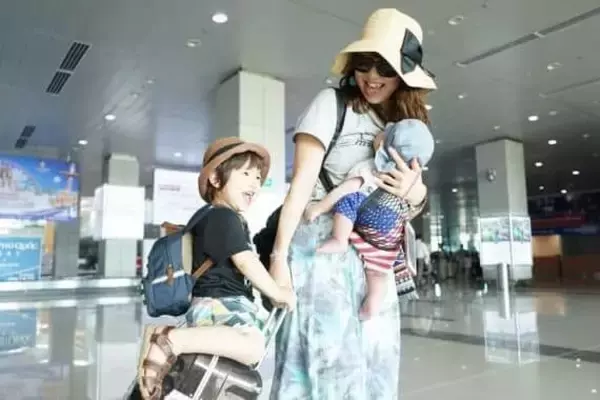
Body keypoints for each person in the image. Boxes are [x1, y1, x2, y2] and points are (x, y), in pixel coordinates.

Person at [268, 8, 436, 400]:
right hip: (322, 251)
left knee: (374, 368)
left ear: (404, 74)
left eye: (385, 68)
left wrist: (414, 192)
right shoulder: (331, 103)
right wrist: (278, 259)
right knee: (322, 365)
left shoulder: (405, 125)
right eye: (365, 64)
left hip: (376, 259)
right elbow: (300, 187)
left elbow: (410, 203)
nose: (372, 77)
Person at [136, 137, 296, 400]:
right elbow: (245, 261)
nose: (255, 183)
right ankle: (171, 339)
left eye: (258, 177)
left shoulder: (213, 216)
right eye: (246, 174)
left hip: (218, 305)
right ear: (215, 179)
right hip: (218, 304)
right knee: (253, 345)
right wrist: (277, 292)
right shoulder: (223, 216)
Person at [305, 119, 434, 318]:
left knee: (348, 200)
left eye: (383, 134)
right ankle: (374, 300)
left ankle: (339, 239)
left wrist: (319, 207)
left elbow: (344, 189)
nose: (377, 134)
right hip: (391, 233)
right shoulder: (409, 176)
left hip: (371, 220)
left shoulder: (370, 168)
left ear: (384, 147)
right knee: (378, 272)